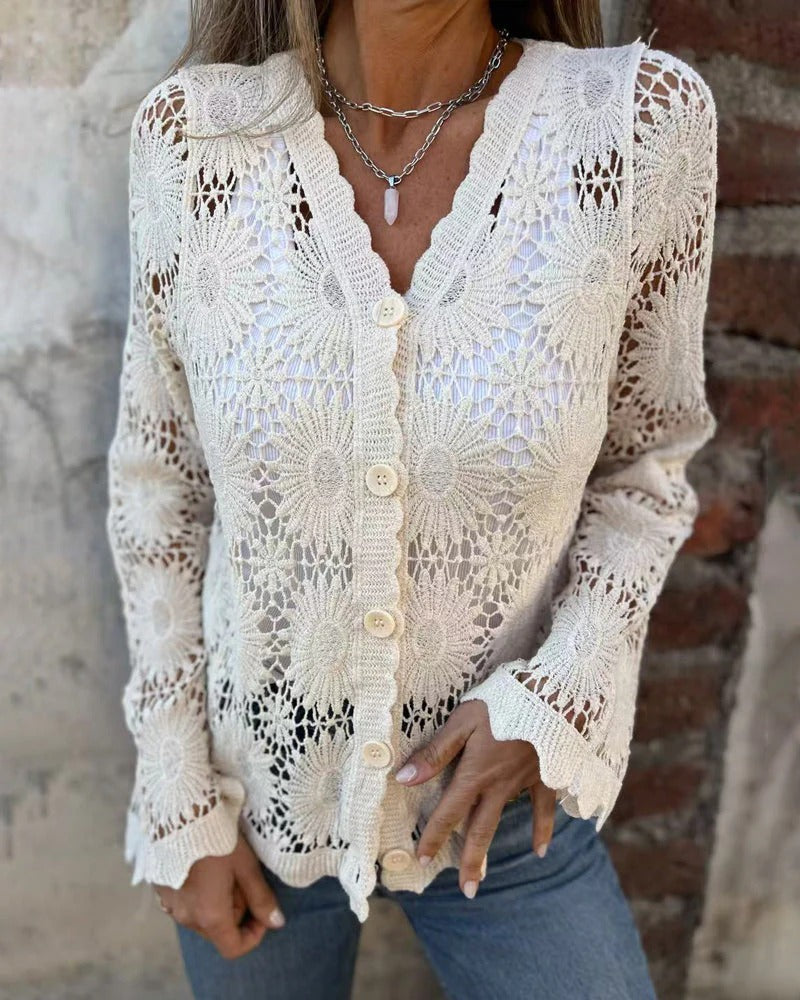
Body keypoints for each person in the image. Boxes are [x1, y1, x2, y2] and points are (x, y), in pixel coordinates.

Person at [105, 0, 719, 996]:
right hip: (251, 799)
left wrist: (555, 697)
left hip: (503, 803)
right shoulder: (192, 138)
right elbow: (159, 487)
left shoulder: (631, 126)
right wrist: (178, 797)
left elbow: (645, 469)